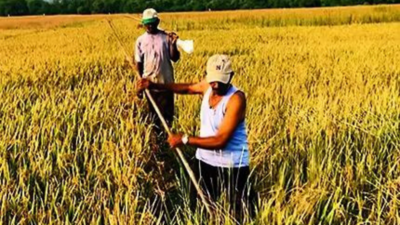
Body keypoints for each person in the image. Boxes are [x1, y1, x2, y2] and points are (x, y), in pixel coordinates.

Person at [138, 54, 256, 220]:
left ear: (231, 76)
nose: (216, 84)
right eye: (213, 80)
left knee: (237, 216)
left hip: (232, 167)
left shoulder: (236, 99)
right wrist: (154, 85)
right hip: (205, 162)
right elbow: (188, 88)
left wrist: (185, 139)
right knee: (202, 210)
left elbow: (220, 140)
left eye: (221, 80)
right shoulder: (208, 86)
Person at [134, 8, 180, 132]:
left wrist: (174, 44)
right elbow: (138, 63)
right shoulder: (140, 41)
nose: (150, 26)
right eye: (147, 23)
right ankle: (157, 141)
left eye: (152, 23)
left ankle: (168, 142)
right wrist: (139, 84)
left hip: (166, 83)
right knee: (153, 117)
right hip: (150, 84)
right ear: (143, 24)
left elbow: (175, 58)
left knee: (168, 116)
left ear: (158, 22)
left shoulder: (166, 37)